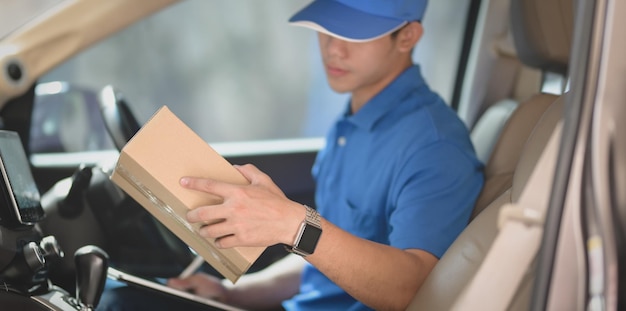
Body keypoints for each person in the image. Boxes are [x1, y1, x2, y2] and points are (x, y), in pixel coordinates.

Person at [98, 0, 484, 310]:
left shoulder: (435, 146)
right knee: (121, 296)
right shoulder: (353, 121)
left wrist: (297, 225)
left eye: (355, 33)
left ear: (407, 36)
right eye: (327, 27)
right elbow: (326, 263)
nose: (333, 47)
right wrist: (236, 292)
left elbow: (409, 289)